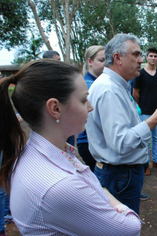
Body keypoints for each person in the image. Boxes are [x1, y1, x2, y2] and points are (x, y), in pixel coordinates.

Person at [0, 60, 142, 235]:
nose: (90, 107)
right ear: (55, 108)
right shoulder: (60, 187)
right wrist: (104, 193)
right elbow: (130, 229)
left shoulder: (34, 153)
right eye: (83, 100)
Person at [86, 34, 157, 215]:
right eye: (136, 54)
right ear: (117, 58)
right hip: (120, 175)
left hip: (121, 173)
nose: (141, 60)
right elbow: (121, 143)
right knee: (124, 227)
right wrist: (156, 118)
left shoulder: (118, 85)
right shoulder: (109, 90)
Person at [133, 47, 157, 175]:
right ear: (146, 57)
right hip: (145, 112)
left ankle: (156, 160)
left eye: (155, 56)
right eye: (151, 56)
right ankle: (145, 163)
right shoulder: (140, 74)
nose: (153, 58)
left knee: (156, 137)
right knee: (145, 139)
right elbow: (135, 93)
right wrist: (142, 106)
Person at [76, 45, 105, 172]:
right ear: (90, 61)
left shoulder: (97, 82)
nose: (106, 64)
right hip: (89, 142)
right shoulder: (89, 85)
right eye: (101, 60)